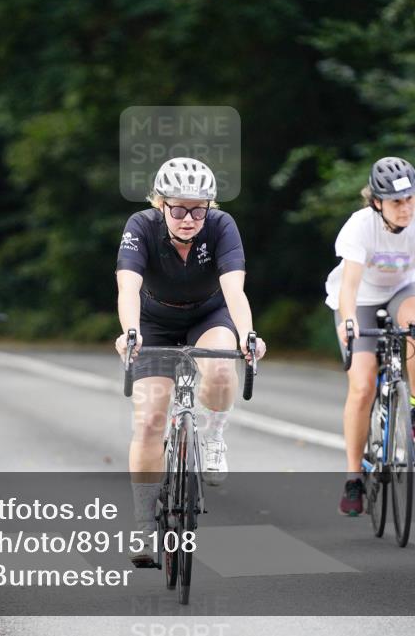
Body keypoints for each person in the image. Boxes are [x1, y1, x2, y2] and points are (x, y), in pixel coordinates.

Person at [114, 156, 266, 566]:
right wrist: (131, 332)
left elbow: (234, 289)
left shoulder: (221, 226)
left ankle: (214, 435)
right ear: (160, 204)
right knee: (149, 421)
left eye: (198, 210)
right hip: (154, 321)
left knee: (220, 368)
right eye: (179, 209)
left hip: (208, 315)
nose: (188, 219)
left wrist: (248, 334)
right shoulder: (140, 226)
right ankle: (144, 524)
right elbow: (127, 287)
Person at [324, 157, 415, 517]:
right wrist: (348, 320)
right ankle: (353, 478)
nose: (406, 208)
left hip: (403, 290)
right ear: (376, 203)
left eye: (410, 199)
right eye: (397, 202)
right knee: (362, 386)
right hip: (360, 299)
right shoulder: (359, 227)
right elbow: (349, 285)